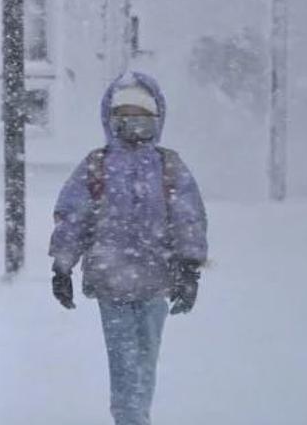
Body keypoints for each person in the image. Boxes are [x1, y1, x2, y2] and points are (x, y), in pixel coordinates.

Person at [49, 72, 209, 425]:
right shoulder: (98, 164)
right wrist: (61, 265)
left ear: (157, 119)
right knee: (124, 361)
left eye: (141, 116)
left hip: (155, 281)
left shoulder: (169, 166)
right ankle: (130, 419)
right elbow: (73, 217)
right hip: (112, 283)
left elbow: (188, 218)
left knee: (145, 359)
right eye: (124, 116)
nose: (132, 124)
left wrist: (189, 267)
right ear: (111, 119)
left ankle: (137, 416)